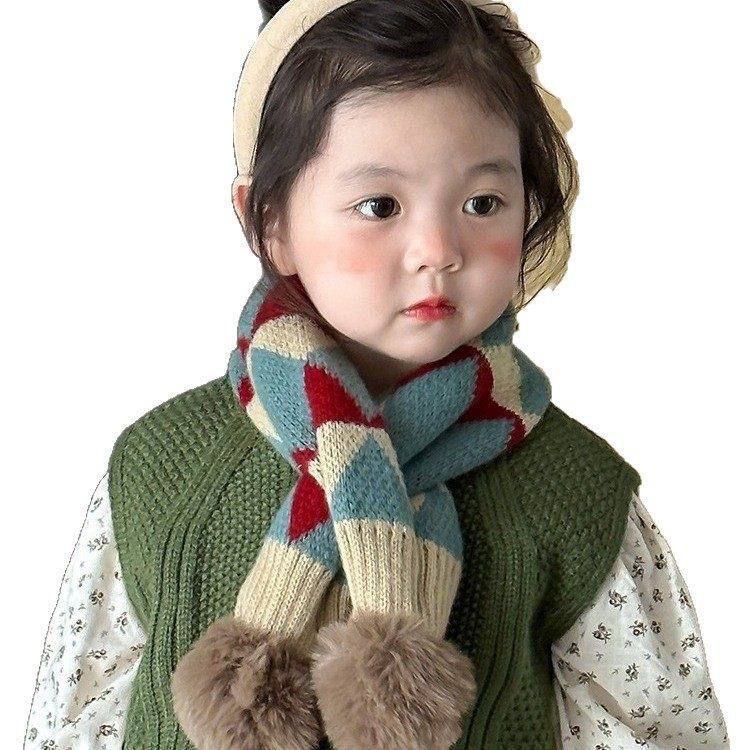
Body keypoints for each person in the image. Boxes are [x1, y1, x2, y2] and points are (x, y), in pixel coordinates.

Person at [23, 0, 730, 748]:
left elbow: (657, 729)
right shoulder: (161, 466)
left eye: (482, 202)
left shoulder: (575, 489)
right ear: (269, 222)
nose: (438, 249)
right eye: (379, 204)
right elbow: (76, 718)